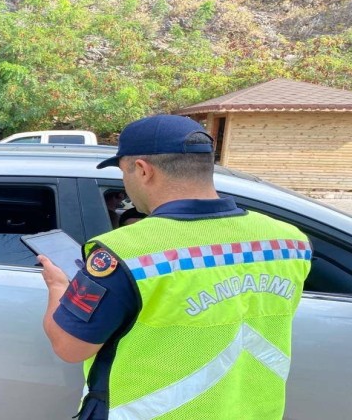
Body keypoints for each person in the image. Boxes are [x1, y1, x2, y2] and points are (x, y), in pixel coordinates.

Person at [39, 114, 311, 419]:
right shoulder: (289, 241)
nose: (124, 183)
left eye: (124, 172)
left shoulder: (126, 251)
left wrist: (58, 286)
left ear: (143, 170)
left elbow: (69, 347)